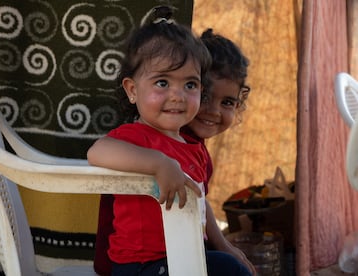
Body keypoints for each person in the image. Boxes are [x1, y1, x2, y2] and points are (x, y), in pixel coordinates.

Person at [88, 6, 253, 276]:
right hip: (142, 265)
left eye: (190, 85)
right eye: (163, 83)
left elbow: (199, 199)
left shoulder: (192, 147)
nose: (177, 95)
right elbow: (98, 151)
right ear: (132, 90)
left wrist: (222, 243)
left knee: (228, 265)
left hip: (177, 255)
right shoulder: (139, 137)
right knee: (230, 270)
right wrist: (158, 163)